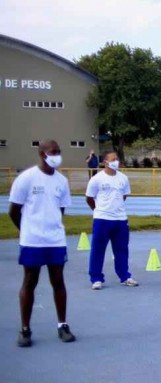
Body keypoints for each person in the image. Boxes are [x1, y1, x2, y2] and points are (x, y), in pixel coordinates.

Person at [8, 140, 76, 347]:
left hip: (55, 240)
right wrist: (27, 231)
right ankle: (25, 329)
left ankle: (62, 325)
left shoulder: (62, 181)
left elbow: (60, 210)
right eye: (53, 152)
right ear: (42, 154)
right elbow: (13, 211)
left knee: (58, 281)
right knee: (30, 282)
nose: (56, 155)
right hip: (32, 241)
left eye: (59, 151)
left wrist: (52, 228)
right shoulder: (26, 178)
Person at [85, 150, 137, 290]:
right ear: (105, 162)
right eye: (113, 159)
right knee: (98, 250)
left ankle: (124, 276)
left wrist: (116, 209)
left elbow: (124, 196)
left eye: (117, 159)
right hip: (102, 219)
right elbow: (89, 198)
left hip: (120, 219)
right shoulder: (96, 179)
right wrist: (99, 210)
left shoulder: (123, 178)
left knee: (121, 249)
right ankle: (96, 278)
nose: (116, 161)